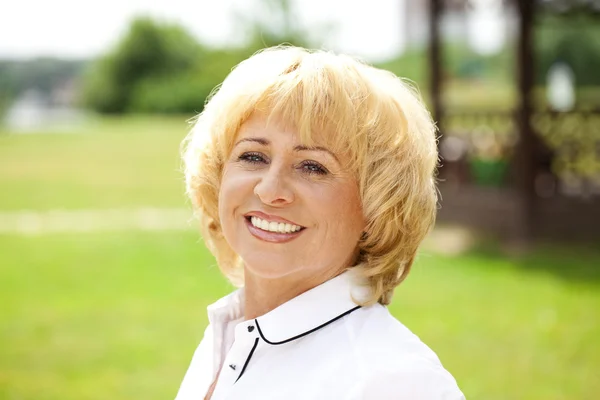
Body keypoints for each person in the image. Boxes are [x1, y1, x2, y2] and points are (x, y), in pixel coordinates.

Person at [176, 46, 465, 400]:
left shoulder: (393, 380)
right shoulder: (227, 336)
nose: (270, 190)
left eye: (313, 166)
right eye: (253, 156)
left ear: (377, 206)